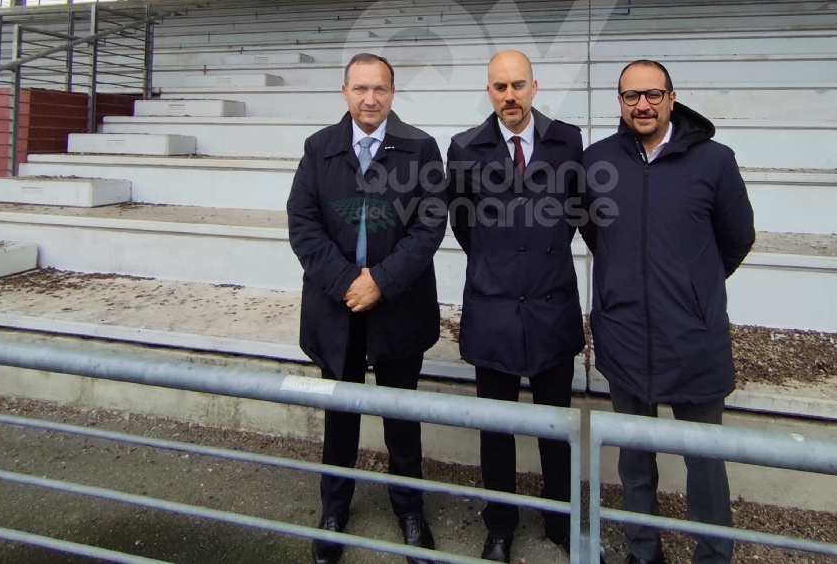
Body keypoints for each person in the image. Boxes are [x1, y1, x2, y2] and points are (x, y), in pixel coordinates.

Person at [581, 60, 755, 564]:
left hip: (693, 339)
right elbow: (597, 236)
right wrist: (622, 287)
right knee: (634, 463)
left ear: (672, 98)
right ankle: (643, 551)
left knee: (704, 463)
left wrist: (693, 288)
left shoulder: (714, 160)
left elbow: (736, 237)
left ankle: (713, 554)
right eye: (631, 96)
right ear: (619, 102)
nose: (643, 105)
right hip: (625, 336)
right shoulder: (597, 162)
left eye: (653, 94)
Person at [287, 53, 448, 564]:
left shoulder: (421, 148)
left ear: (392, 93)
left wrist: (380, 282)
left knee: (402, 415)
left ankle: (410, 510)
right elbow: (303, 223)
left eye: (379, 89)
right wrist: (346, 284)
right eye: (360, 89)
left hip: (397, 304)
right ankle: (334, 509)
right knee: (341, 416)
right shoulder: (319, 148)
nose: (370, 99)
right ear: (344, 92)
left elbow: (429, 226)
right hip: (337, 308)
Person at [446, 50, 586, 562]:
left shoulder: (566, 140)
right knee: (497, 431)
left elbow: (574, 212)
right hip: (493, 309)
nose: (510, 95)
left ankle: (560, 518)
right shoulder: (464, 148)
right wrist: (500, 264)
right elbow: (465, 227)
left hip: (551, 305)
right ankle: (499, 524)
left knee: (556, 426)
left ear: (534, 87)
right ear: (489, 92)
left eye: (518, 85)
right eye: (500, 86)